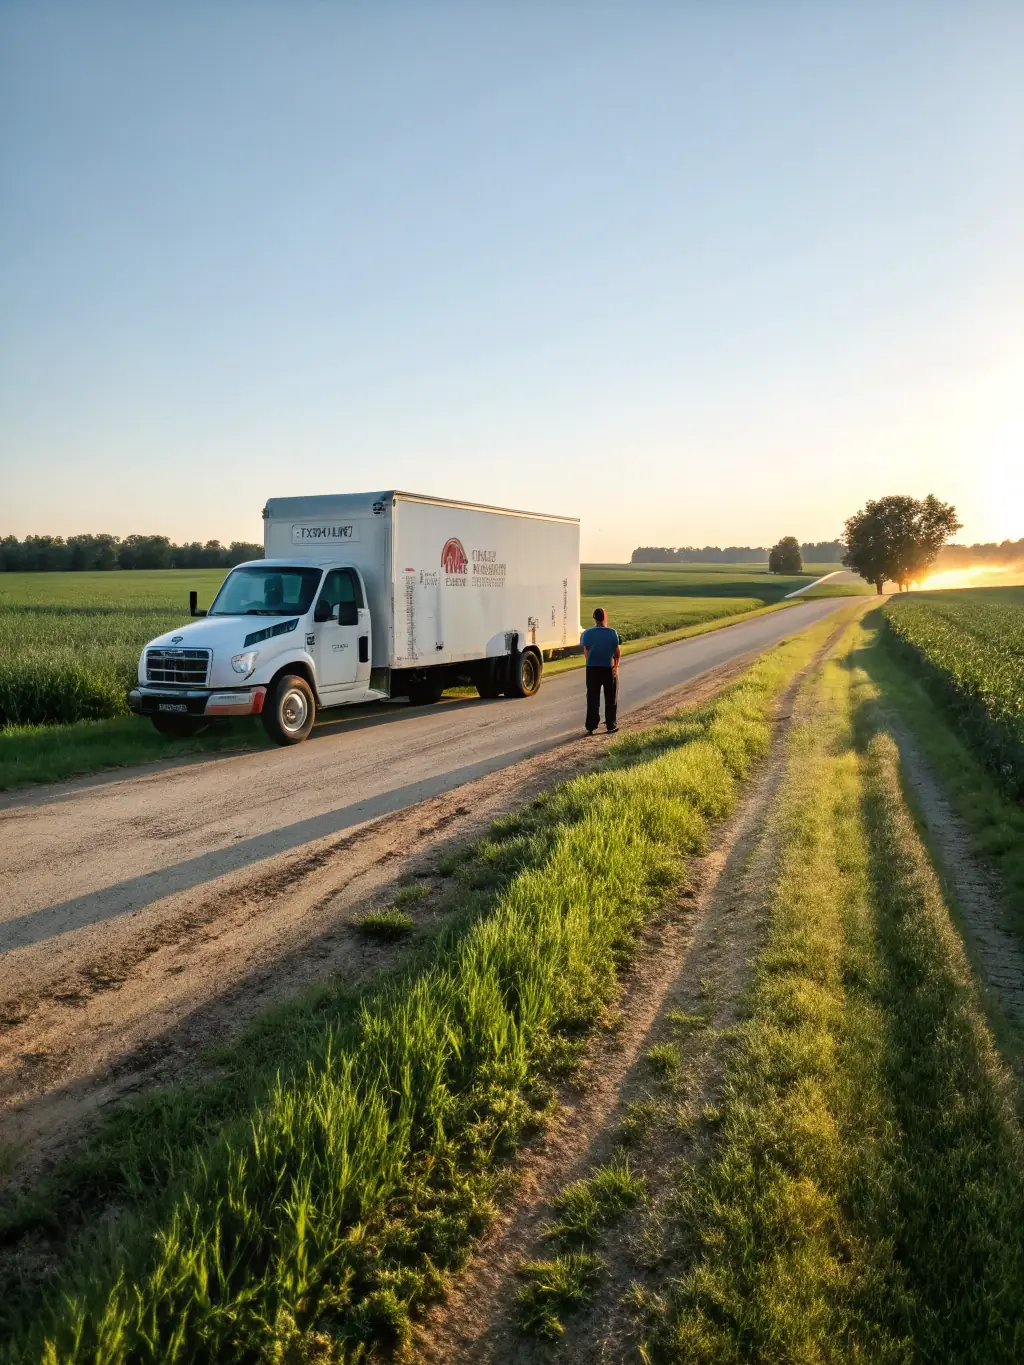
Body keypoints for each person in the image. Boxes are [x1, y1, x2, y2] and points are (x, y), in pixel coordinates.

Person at [581, 606, 620, 734]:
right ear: (605, 618)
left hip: (592, 669)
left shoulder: (587, 633)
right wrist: (616, 666)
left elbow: (586, 652)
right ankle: (611, 724)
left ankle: (591, 726)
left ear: (594, 619)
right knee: (610, 697)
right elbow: (617, 653)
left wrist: (591, 662)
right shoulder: (612, 633)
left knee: (592, 697)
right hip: (608, 668)